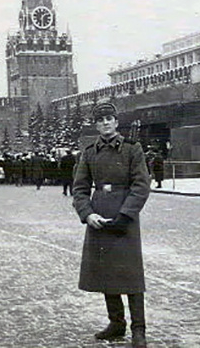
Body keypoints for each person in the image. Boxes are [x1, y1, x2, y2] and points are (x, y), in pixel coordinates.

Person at [72, 102, 151, 347]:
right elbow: (80, 189)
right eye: (101, 120)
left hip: (124, 218)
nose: (105, 123)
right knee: (107, 271)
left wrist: (126, 215)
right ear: (96, 125)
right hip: (99, 218)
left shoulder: (132, 149)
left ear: (116, 122)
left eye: (109, 118)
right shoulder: (89, 152)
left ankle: (139, 329)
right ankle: (116, 323)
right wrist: (88, 215)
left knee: (131, 274)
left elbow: (141, 185)